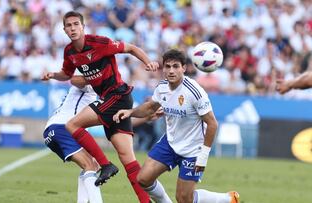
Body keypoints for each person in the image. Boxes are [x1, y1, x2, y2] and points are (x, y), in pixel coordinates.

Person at [41, 11, 158, 203]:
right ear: (64, 30)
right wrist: (53, 75)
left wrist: (149, 62)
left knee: (72, 125)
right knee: (129, 160)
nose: (72, 28)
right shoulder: (70, 52)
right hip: (110, 100)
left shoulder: (99, 43)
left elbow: (130, 48)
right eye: (68, 25)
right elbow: (67, 74)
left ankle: (105, 165)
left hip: (117, 95)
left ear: (83, 27)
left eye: (76, 24)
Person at [113, 49, 240, 203]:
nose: (171, 71)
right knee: (143, 179)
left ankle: (227, 199)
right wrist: (130, 112)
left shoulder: (194, 92)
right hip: (171, 142)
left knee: (184, 199)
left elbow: (212, 124)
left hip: (193, 149)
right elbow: (151, 107)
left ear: (184, 68)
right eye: (167, 66)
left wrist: (203, 156)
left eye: (175, 66)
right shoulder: (162, 87)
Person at [43, 74, 103, 203]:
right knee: (89, 165)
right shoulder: (88, 87)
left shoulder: (96, 93)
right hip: (62, 128)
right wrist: (98, 77)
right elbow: (74, 80)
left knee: (93, 165)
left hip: (57, 130)